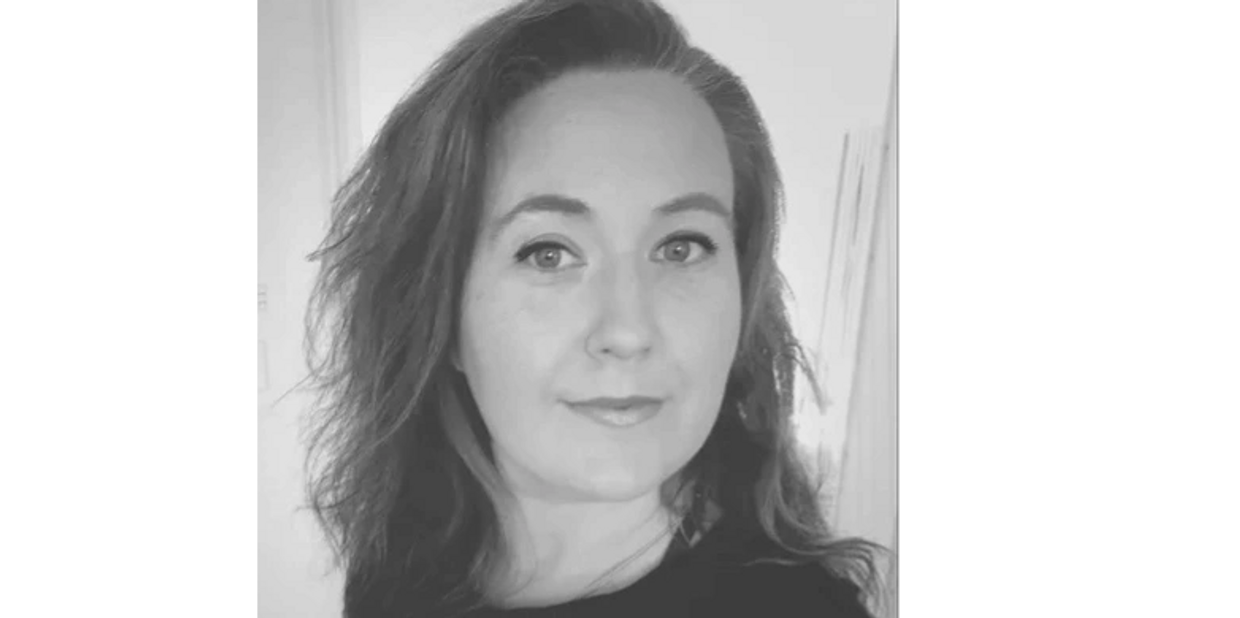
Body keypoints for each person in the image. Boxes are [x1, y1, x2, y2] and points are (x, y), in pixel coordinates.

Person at [304, 0, 881, 615]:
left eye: (681, 247)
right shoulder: (398, 564)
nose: (628, 331)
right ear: (439, 315)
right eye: (548, 253)